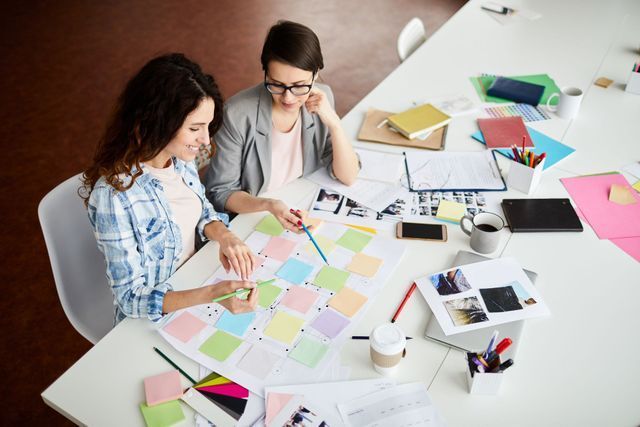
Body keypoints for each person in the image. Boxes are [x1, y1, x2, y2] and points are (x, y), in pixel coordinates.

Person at [81, 53, 258, 324]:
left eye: (208, 126)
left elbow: (200, 209)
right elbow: (130, 298)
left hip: (196, 281)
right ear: (158, 122)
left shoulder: (180, 160)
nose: (205, 140)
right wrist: (211, 294)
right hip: (159, 315)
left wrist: (224, 234)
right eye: (195, 128)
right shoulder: (112, 198)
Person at [206, 20, 360, 231]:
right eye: (277, 84)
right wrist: (270, 205)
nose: (288, 98)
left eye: (299, 86)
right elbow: (221, 192)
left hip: (302, 206)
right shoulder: (237, 115)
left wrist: (334, 124)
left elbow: (348, 176)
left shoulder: (322, 99)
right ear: (265, 73)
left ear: (315, 74)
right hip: (253, 218)